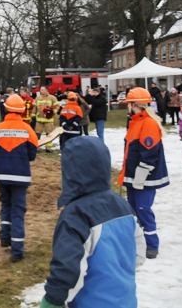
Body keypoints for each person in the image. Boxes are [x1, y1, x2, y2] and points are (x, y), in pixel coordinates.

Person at [41, 137, 145, 308]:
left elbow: (68, 269)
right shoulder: (122, 205)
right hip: (125, 301)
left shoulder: (76, 215)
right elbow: (139, 252)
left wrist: (52, 301)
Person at [0, 95, 38, 262]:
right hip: (20, 176)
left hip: (1, 176)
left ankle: (5, 238)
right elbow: (32, 155)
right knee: (18, 211)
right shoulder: (27, 130)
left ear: (5, 109)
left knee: (6, 205)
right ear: (22, 110)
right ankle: (17, 251)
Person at [118, 87, 169, 259]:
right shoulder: (135, 121)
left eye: (129, 103)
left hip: (144, 178)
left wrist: (139, 177)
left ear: (135, 104)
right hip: (134, 176)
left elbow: (150, 153)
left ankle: (151, 244)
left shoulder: (148, 123)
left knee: (143, 209)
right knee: (133, 210)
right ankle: (137, 242)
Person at [33, 86, 59, 152]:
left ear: (46, 90)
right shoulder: (38, 98)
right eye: (40, 89)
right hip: (39, 119)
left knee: (49, 134)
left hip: (49, 120)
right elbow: (35, 107)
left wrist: (52, 112)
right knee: (37, 134)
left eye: (42, 89)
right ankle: (37, 147)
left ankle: (48, 148)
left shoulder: (52, 98)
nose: (40, 91)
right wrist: (33, 115)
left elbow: (57, 106)